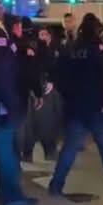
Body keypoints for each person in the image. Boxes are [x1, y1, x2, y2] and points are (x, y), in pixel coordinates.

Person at [49, 13, 103, 202]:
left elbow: (59, 75)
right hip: (97, 109)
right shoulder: (99, 49)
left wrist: (68, 97)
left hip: (75, 108)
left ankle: (55, 186)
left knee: (69, 149)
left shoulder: (70, 49)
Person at [0, 0, 37, 205]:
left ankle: (0, 192)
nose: (3, 9)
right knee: (4, 147)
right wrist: (12, 104)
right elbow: (3, 73)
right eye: (0, 4)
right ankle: (13, 198)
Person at [5, 14, 44, 163]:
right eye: (19, 26)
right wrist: (38, 93)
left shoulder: (6, 43)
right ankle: (21, 156)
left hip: (5, 92)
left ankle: (14, 158)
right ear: (15, 27)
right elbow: (31, 73)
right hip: (20, 92)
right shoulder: (24, 47)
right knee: (23, 126)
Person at [21, 26, 63, 162]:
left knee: (47, 123)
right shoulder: (35, 50)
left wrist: (52, 81)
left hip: (48, 89)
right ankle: (29, 153)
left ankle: (49, 151)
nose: (42, 37)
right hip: (37, 89)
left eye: (45, 34)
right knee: (34, 124)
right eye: (40, 34)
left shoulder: (56, 50)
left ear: (50, 36)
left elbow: (59, 69)